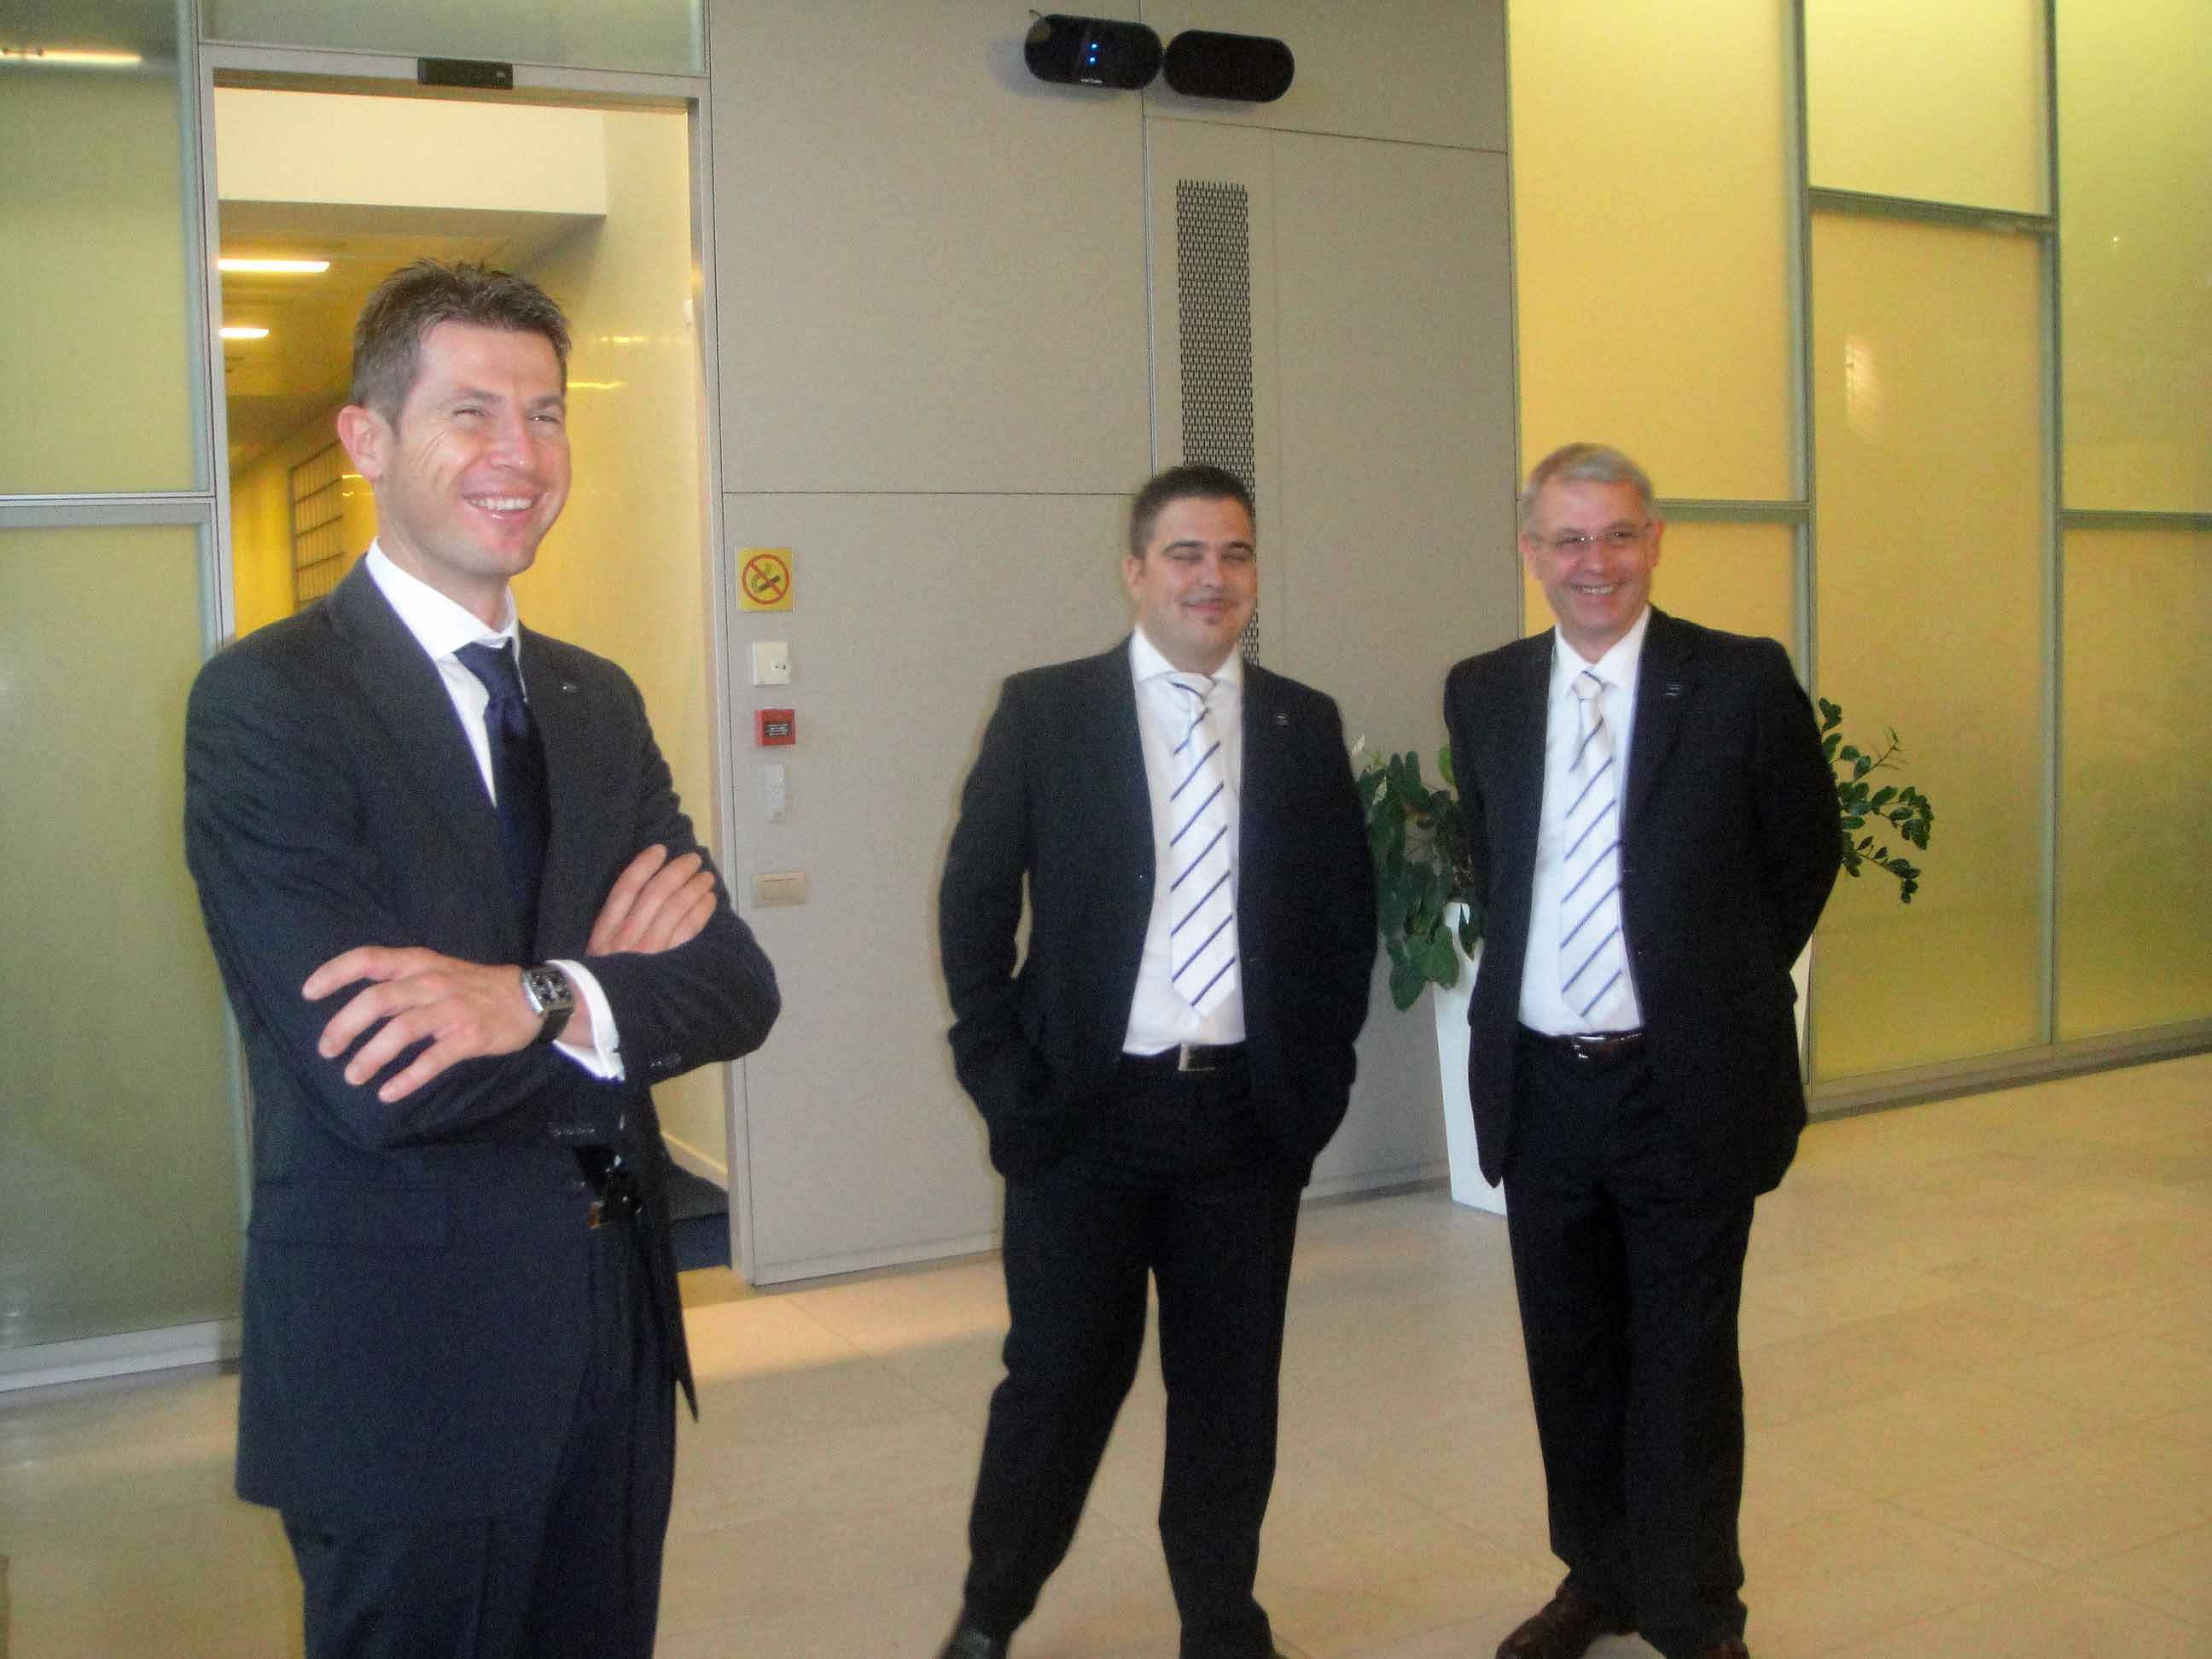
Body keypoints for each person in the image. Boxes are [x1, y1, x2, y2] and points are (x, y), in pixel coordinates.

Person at [183, 259, 780, 1659]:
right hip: (407, 1362)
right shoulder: (270, 705)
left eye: (546, 414)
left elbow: (737, 985)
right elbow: (380, 1079)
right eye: (471, 413)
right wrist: (614, 1005)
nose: (522, 454)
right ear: (367, 438)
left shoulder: (592, 699)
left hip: (616, 1333)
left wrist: (534, 998)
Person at [934, 464, 1376, 1659]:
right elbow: (973, 908)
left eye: (1234, 554)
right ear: (1135, 571)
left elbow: (1344, 923)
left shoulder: (1300, 724)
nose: (1211, 578)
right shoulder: (1047, 712)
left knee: (1232, 1390)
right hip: (1084, 1119)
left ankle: (1221, 1621)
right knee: (1058, 1380)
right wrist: (1004, 1080)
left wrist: (1315, 1089)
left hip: (1243, 1124)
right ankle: (992, 1613)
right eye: (1185, 554)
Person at [1443, 443, 1841, 1659]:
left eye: (1618, 534)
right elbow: (1499, 863)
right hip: (1542, 1084)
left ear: (1655, 539)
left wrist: (1707, 988)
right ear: (1531, 553)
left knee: (1683, 1364)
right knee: (1569, 1359)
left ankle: (1696, 1612)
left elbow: (1804, 854)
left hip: (1684, 1086)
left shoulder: (1738, 680)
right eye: (1568, 539)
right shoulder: (1486, 691)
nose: (1595, 562)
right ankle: (1600, 1581)